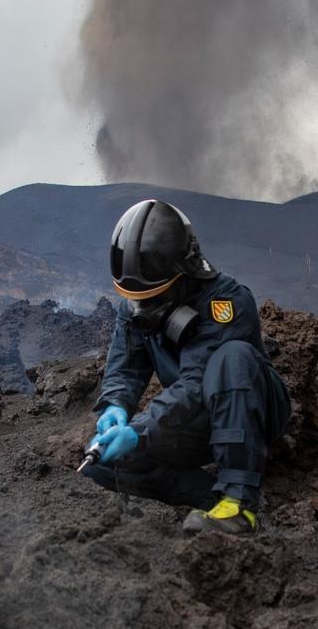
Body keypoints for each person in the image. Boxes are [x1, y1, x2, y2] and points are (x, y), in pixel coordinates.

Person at [81, 199, 292, 535]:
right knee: (105, 461)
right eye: (135, 297)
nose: (142, 306)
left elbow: (196, 384)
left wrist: (139, 431)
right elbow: (125, 369)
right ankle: (214, 500)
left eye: (154, 295)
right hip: (192, 419)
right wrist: (115, 406)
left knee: (232, 355)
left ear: (185, 272)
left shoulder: (227, 301)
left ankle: (239, 504)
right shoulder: (135, 306)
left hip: (248, 409)